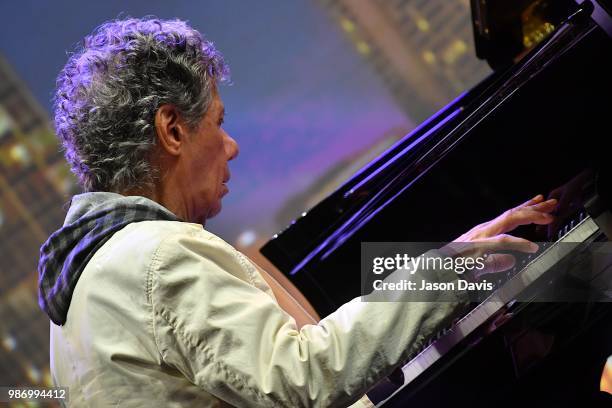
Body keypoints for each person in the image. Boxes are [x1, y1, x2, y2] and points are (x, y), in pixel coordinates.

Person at [38, 17, 558, 407]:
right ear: (172, 129)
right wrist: (457, 265)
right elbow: (302, 377)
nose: (231, 146)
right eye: (217, 123)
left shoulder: (79, 304)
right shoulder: (154, 258)